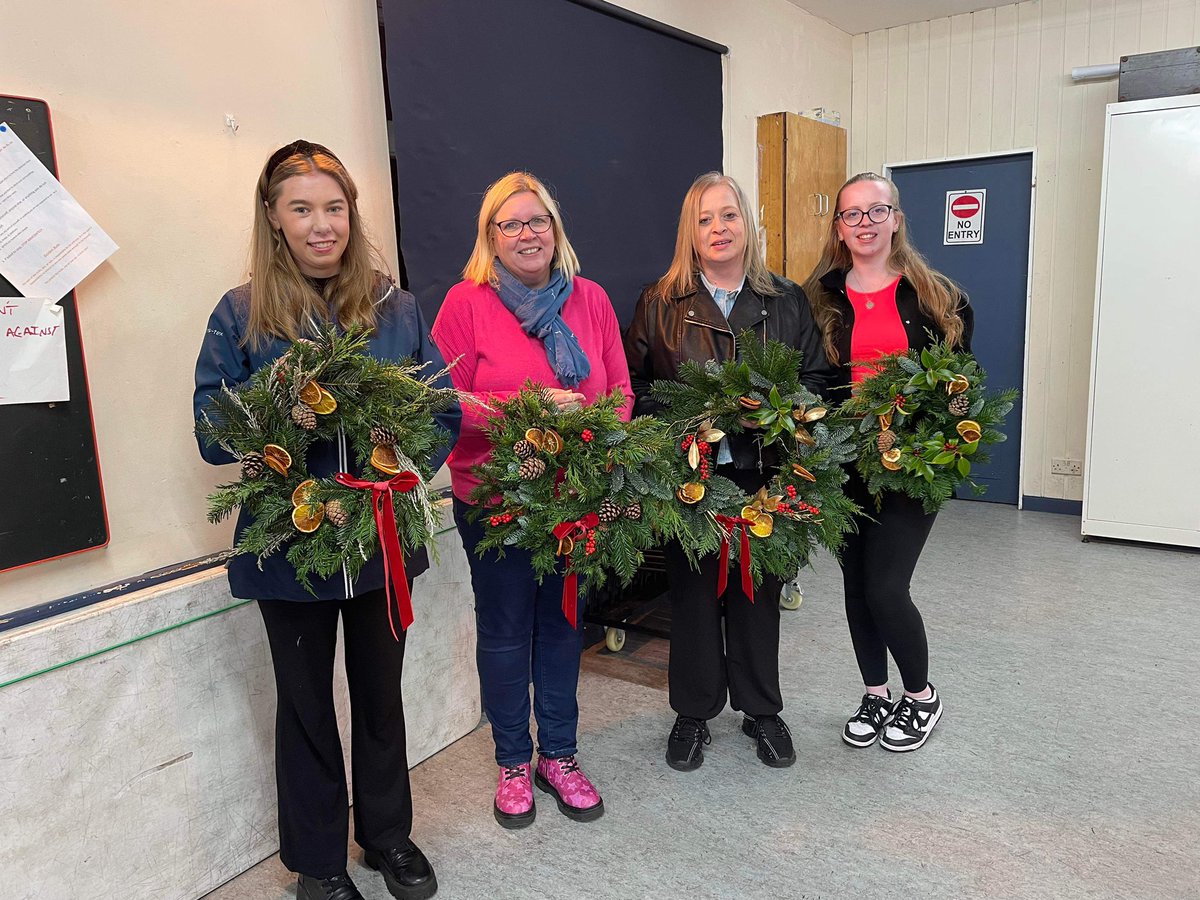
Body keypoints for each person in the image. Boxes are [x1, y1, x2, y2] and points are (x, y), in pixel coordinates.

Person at [193, 140, 459, 900]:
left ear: (351, 214)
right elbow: (212, 432)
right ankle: (317, 859)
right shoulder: (240, 314)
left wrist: (407, 468)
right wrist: (281, 401)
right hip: (290, 545)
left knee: (381, 695)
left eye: (334, 207)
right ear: (274, 218)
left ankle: (387, 836)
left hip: (379, 539)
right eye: (302, 208)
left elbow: (438, 407)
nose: (322, 225)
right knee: (306, 705)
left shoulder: (394, 304)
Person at [432, 172, 632, 829]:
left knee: (564, 626)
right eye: (510, 224)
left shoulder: (592, 300)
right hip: (495, 500)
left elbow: (622, 392)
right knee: (506, 631)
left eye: (537, 220)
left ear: (556, 228)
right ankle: (514, 761)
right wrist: (526, 411)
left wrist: (598, 431)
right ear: (490, 237)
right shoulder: (465, 304)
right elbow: (442, 404)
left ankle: (561, 757)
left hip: (574, 495)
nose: (527, 234)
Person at [623, 172, 836, 772]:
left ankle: (761, 710)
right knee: (690, 597)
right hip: (689, 476)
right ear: (690, 233)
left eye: (729, 216)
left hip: (761, 475)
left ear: (748, 224)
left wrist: (774, 411)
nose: (719, 228)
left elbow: (817, 382)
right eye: (705, 219)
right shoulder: (659, 302)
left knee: (756, 594)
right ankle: (692, 714)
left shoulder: (785, 300)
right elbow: (634, 387)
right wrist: (690, 418)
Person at [802, 171, 974, 753]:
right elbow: (811, 383)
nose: (865, 224)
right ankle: (876, 692)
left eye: (876, 211)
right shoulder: (818, 298)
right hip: (845, 463)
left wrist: (935, 440)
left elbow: (961, 388)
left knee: (886, 585)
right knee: (855, 584)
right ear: (839, 228)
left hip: (911, 463)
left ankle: (921, 697)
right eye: (852, 214)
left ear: (896, 219)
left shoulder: (938, 297)